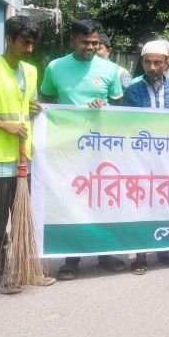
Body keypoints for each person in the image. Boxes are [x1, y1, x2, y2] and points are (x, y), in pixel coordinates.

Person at [40, 18, 127, 280]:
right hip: (68, 148)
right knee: (71, 202)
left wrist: (106, 107)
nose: (90, 47)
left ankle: (106, 255)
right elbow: (46, 102)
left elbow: (120, 107)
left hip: (103, 149)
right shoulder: (55, 68)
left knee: (104, 201)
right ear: (72, 41)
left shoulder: (110, 69)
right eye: (85, 42)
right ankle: (71, 259)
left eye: (94, 42)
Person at [122, 40, 169, 274]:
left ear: (166, 63)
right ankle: (141, 256)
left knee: (167, 202)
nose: (152, 67)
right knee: (143, 203)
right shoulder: (133, 88)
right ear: (142, 62)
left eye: (157, 62)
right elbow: (121, 121)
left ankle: (166, 251)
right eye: (147, 62)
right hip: (141, 156)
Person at [0, 16, 56, 294]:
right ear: (9, 39)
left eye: (32, 43)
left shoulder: (31, 71)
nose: (29, 49)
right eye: (24, 42)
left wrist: (35, 108)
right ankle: (3, 273)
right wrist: (4, 124)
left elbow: (26, 105)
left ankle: (28, 269)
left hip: (25, 156)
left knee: (25, 220)